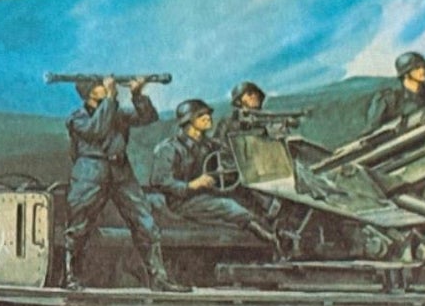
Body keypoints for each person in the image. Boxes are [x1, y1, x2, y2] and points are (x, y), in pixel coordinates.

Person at [63, 76, 185, 291]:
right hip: (90, 172)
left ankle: (158, 278)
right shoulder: (77, 118)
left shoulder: (117, 112)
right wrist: (111, 97)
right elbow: (96, 130)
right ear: (89, 92)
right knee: (79, 226)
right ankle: (71, 276)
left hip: (120, 171)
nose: (106, 86)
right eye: (100, 85)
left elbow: (148, 117)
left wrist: (137, 94)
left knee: (144, 222)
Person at [150, 99, 281, 251]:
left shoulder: (209, 145)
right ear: (187, 121)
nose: (208, 117)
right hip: (183, 201)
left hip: (209, 192)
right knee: (227, 206)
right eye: (200, 115)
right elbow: (159, 181)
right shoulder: (168, 148)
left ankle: (274, 217)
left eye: (208, 114)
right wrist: (191, 185)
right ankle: (269, 238)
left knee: (247, 191)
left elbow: (230, 156)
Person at [365, 51, 425, 133]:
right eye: (417, 68)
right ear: (406, 74)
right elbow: (372, 130)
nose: (423, 70)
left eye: (424, 67)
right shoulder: (388, 100)